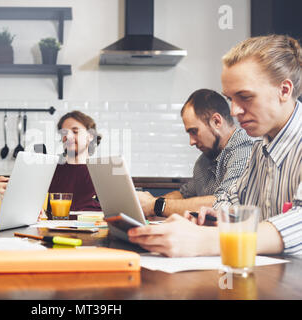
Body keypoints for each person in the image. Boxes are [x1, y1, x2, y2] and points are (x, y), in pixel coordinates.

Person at [128, 34, 301, 257]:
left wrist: (206, 240)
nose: (234, 111)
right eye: (230, 99)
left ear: (284, 91)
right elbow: (233, 201)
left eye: (245, 97)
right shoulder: (260, 149)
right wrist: (209, 217)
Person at [137, 89, 253, 217]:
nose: (191, 142)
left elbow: (222, 203)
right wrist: (146, 204)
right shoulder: (203, 162)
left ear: (217, 122)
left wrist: (155, 205)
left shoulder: (244, 150)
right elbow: (184, 194)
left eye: (194, 131)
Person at [47, 111, 102, 212]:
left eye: (75, 131)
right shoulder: (51, 171)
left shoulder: (103, 173)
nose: (68, 137)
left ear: (90, 136)